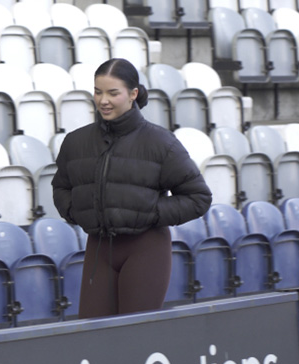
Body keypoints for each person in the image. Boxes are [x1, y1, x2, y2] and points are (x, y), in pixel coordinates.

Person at [52, 58, 212, 319]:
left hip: (146, 249)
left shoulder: (160, 142)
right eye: (98, 91)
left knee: (137, 340)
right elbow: (61, 188)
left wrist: (149, 213)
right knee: (92, 341)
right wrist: (80, 213)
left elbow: (198, 197)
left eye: (113, 93)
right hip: (99, 249)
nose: (103, 100)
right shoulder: (76, 142)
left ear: (133, 94)